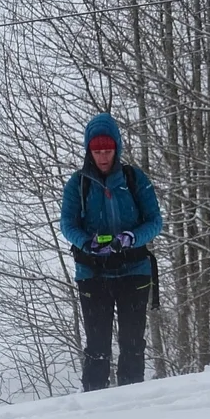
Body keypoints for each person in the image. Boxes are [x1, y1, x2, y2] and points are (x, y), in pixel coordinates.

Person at [60, 113, 163, 392]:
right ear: (88, 152)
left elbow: (155, 221)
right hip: (93, 273)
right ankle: (94, 406)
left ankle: (132, 401)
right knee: (97, 346)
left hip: (134, 270)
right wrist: (87, 243)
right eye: (97, 151)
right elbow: (67, 224)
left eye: (107, 150)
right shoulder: (78, 184)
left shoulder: (134, 178)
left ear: (117, 148)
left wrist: (131, 238)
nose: (103, 156)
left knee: (133, 344)